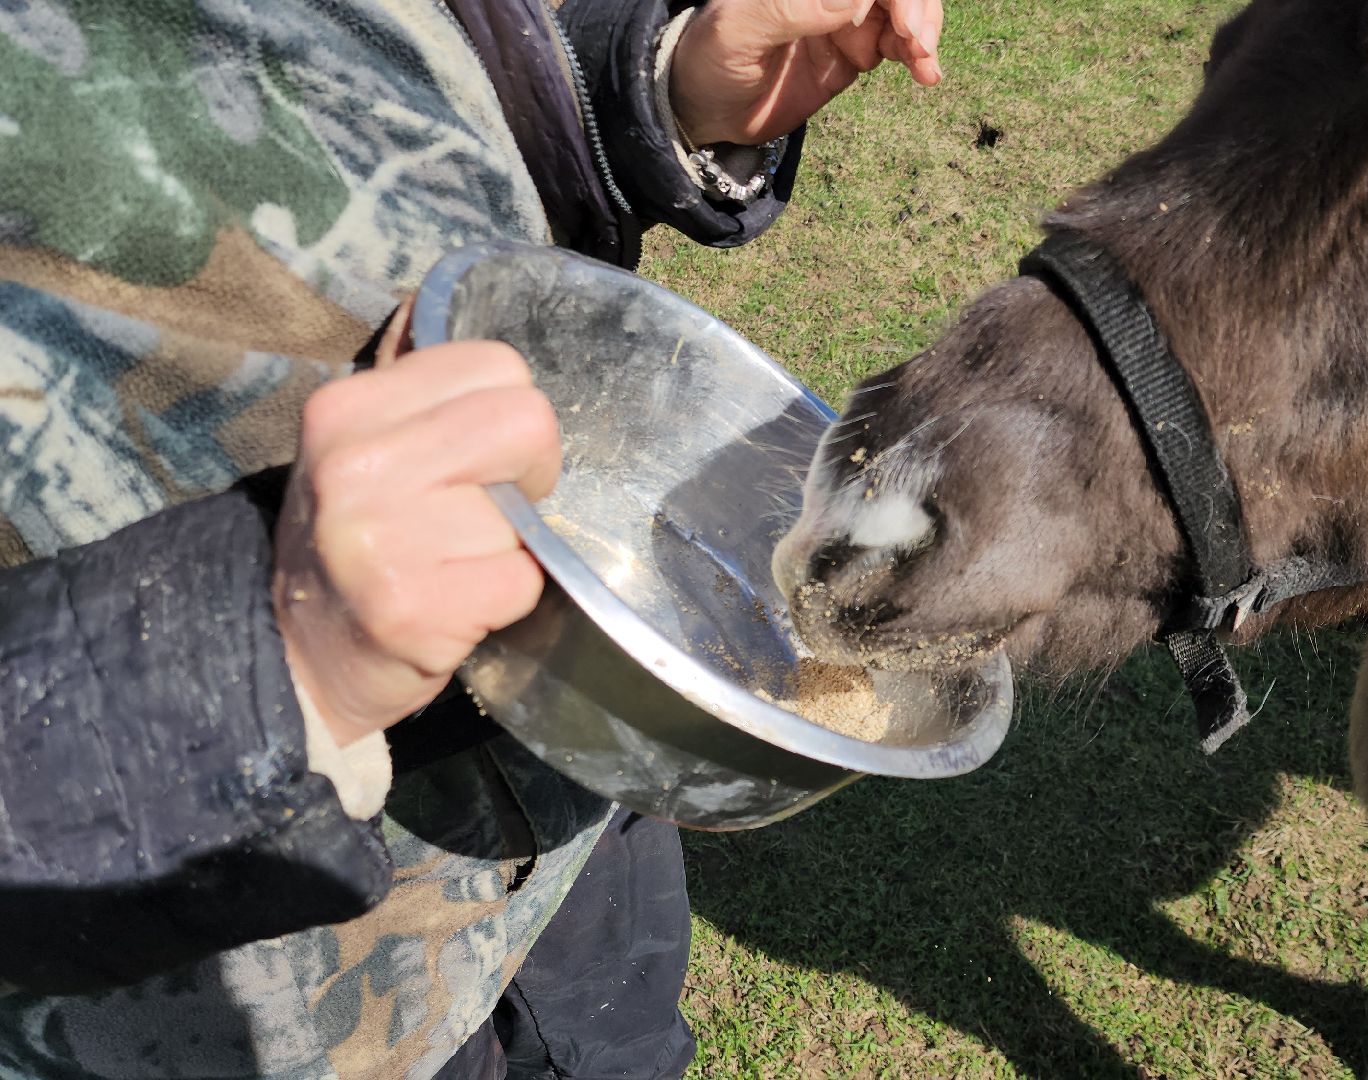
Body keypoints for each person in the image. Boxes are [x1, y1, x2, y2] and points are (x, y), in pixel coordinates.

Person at [0, 0, 941, 1075]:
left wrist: (650, 84)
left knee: (617, 1043)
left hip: (578, 749)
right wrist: (261, 656)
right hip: (263, 961)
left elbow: (419, 71)